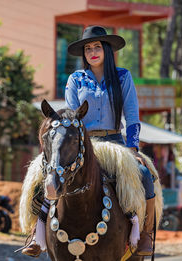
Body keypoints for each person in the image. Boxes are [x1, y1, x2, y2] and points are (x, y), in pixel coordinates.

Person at [22, 26, 155, 257]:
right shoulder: (75, 79)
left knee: (144, 175)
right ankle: (36, 232)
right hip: (83, 143)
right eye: (87, 48)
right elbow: (70, 118)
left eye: (96, 47)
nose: (92, 52)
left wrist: (133, 148)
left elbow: (132, 116)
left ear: (106, 49)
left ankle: (144, 235)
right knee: (40, 175)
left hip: (115, 144)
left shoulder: (123, 77)